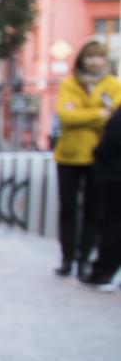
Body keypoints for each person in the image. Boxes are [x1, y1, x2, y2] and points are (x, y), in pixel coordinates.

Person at [52, 39, 120, 279]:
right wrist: (98, 114)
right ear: (81, 60)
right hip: (69, 155)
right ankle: (67, 258)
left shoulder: (113, 84)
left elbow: (114, 118)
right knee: (68, 209)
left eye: (98, 56)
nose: (94, 61)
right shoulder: (69, 84)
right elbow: (65, 116)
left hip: (97, 156)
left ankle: (84, 259)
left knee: (94, 211)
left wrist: (81, 114)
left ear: (105, 60)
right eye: (89, 57)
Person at [82, 98, 121, 291]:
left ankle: (103, 272)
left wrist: (97, 152)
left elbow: (112, 139)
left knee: (111, 223)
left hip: (114, 175)